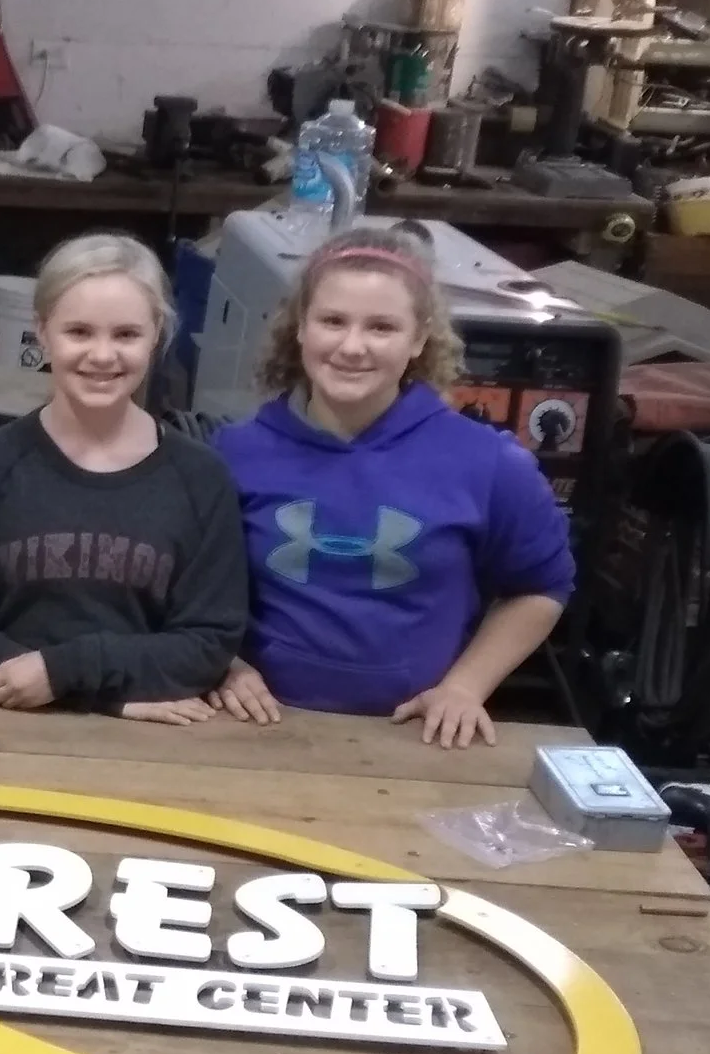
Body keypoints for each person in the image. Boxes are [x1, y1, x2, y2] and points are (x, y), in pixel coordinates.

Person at [211, 226, 573, 748]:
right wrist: (226, 665)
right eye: (332, 321)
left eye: (381, 327)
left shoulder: (488, 463)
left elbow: (541, 587)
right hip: (251, 729)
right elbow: (185, 590)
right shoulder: (234, 453)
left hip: (416, 738)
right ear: (299, 328)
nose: (352, 346)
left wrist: (464, 688)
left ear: (419, 338)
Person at [0, 234, 247, 722]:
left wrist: (63, 670)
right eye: (78, 332)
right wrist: (101, 698)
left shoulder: (202, 480)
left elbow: (207, 644)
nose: (101, 355)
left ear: (156, 334)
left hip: (155, 742)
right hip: (6, 724)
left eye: (126, 335)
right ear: (42, 331)